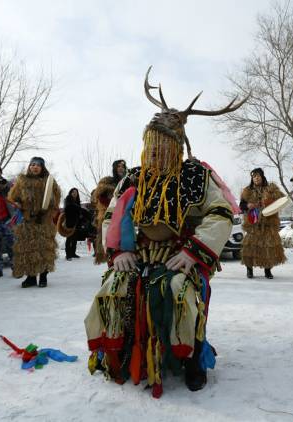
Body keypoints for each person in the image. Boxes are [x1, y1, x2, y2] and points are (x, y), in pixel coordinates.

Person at [84, 68, 244, 397]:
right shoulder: (132, 177)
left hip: (181, 253)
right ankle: (123, 353)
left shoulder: (196, 174)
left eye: (163, 144)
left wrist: (192, 251)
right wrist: (119, 251)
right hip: (138, 251)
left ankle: (192, 359)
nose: (155, 151)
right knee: (116, 287)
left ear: (177, 146)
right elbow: (113, 216)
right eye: (150, 144)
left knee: (177, 292)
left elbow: (220, 212)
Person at [8, 157, 61, 288]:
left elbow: (55, 200)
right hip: (28, 222)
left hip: (44, 222)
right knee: (29, 251)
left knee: (44, 250)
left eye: (38, 165)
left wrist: (45, 212)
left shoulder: (50, 182)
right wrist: (21, 206)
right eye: (32, 165)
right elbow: (13, 198)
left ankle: (43, 276)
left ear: (42, 167)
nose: (34, 167)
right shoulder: (22, 181)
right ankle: (31, 277)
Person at [239, 168, 286, 279]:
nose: (256, 178)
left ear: (262, 176)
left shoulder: (270, 189)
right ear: (252, 178)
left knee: (268, 248)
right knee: (249, 248)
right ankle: (249, 270)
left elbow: (281, 199)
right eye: (254, 176)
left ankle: (267, 271)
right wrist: (247, 206)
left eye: (258, 176)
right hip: (253, 224)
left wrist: (269, 201)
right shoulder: (247, 191)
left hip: (268, 224)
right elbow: (241, 206)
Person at [92, 159, 127, 264]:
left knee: (124, 245)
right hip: (110, 217)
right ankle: (111, 268)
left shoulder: (128, 181)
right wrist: (113, 205)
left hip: (126, 217)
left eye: (123, 166)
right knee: (110, 245)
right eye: (118, 166)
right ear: (115, 168)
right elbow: (99, 197)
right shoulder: (108, 182)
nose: (121, 168)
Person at [59, 187, 92, 260]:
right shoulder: (68, 200)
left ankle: (73, 253)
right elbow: (69, 207)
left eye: (76, 192)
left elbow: (78, 210)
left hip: (76, 221)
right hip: (69, 221)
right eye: (73, 192)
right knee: (69, 237)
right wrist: (79, 209)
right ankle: (68, 255)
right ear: (70, 193)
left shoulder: (77, 201)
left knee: (74, 238)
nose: (75, 193)